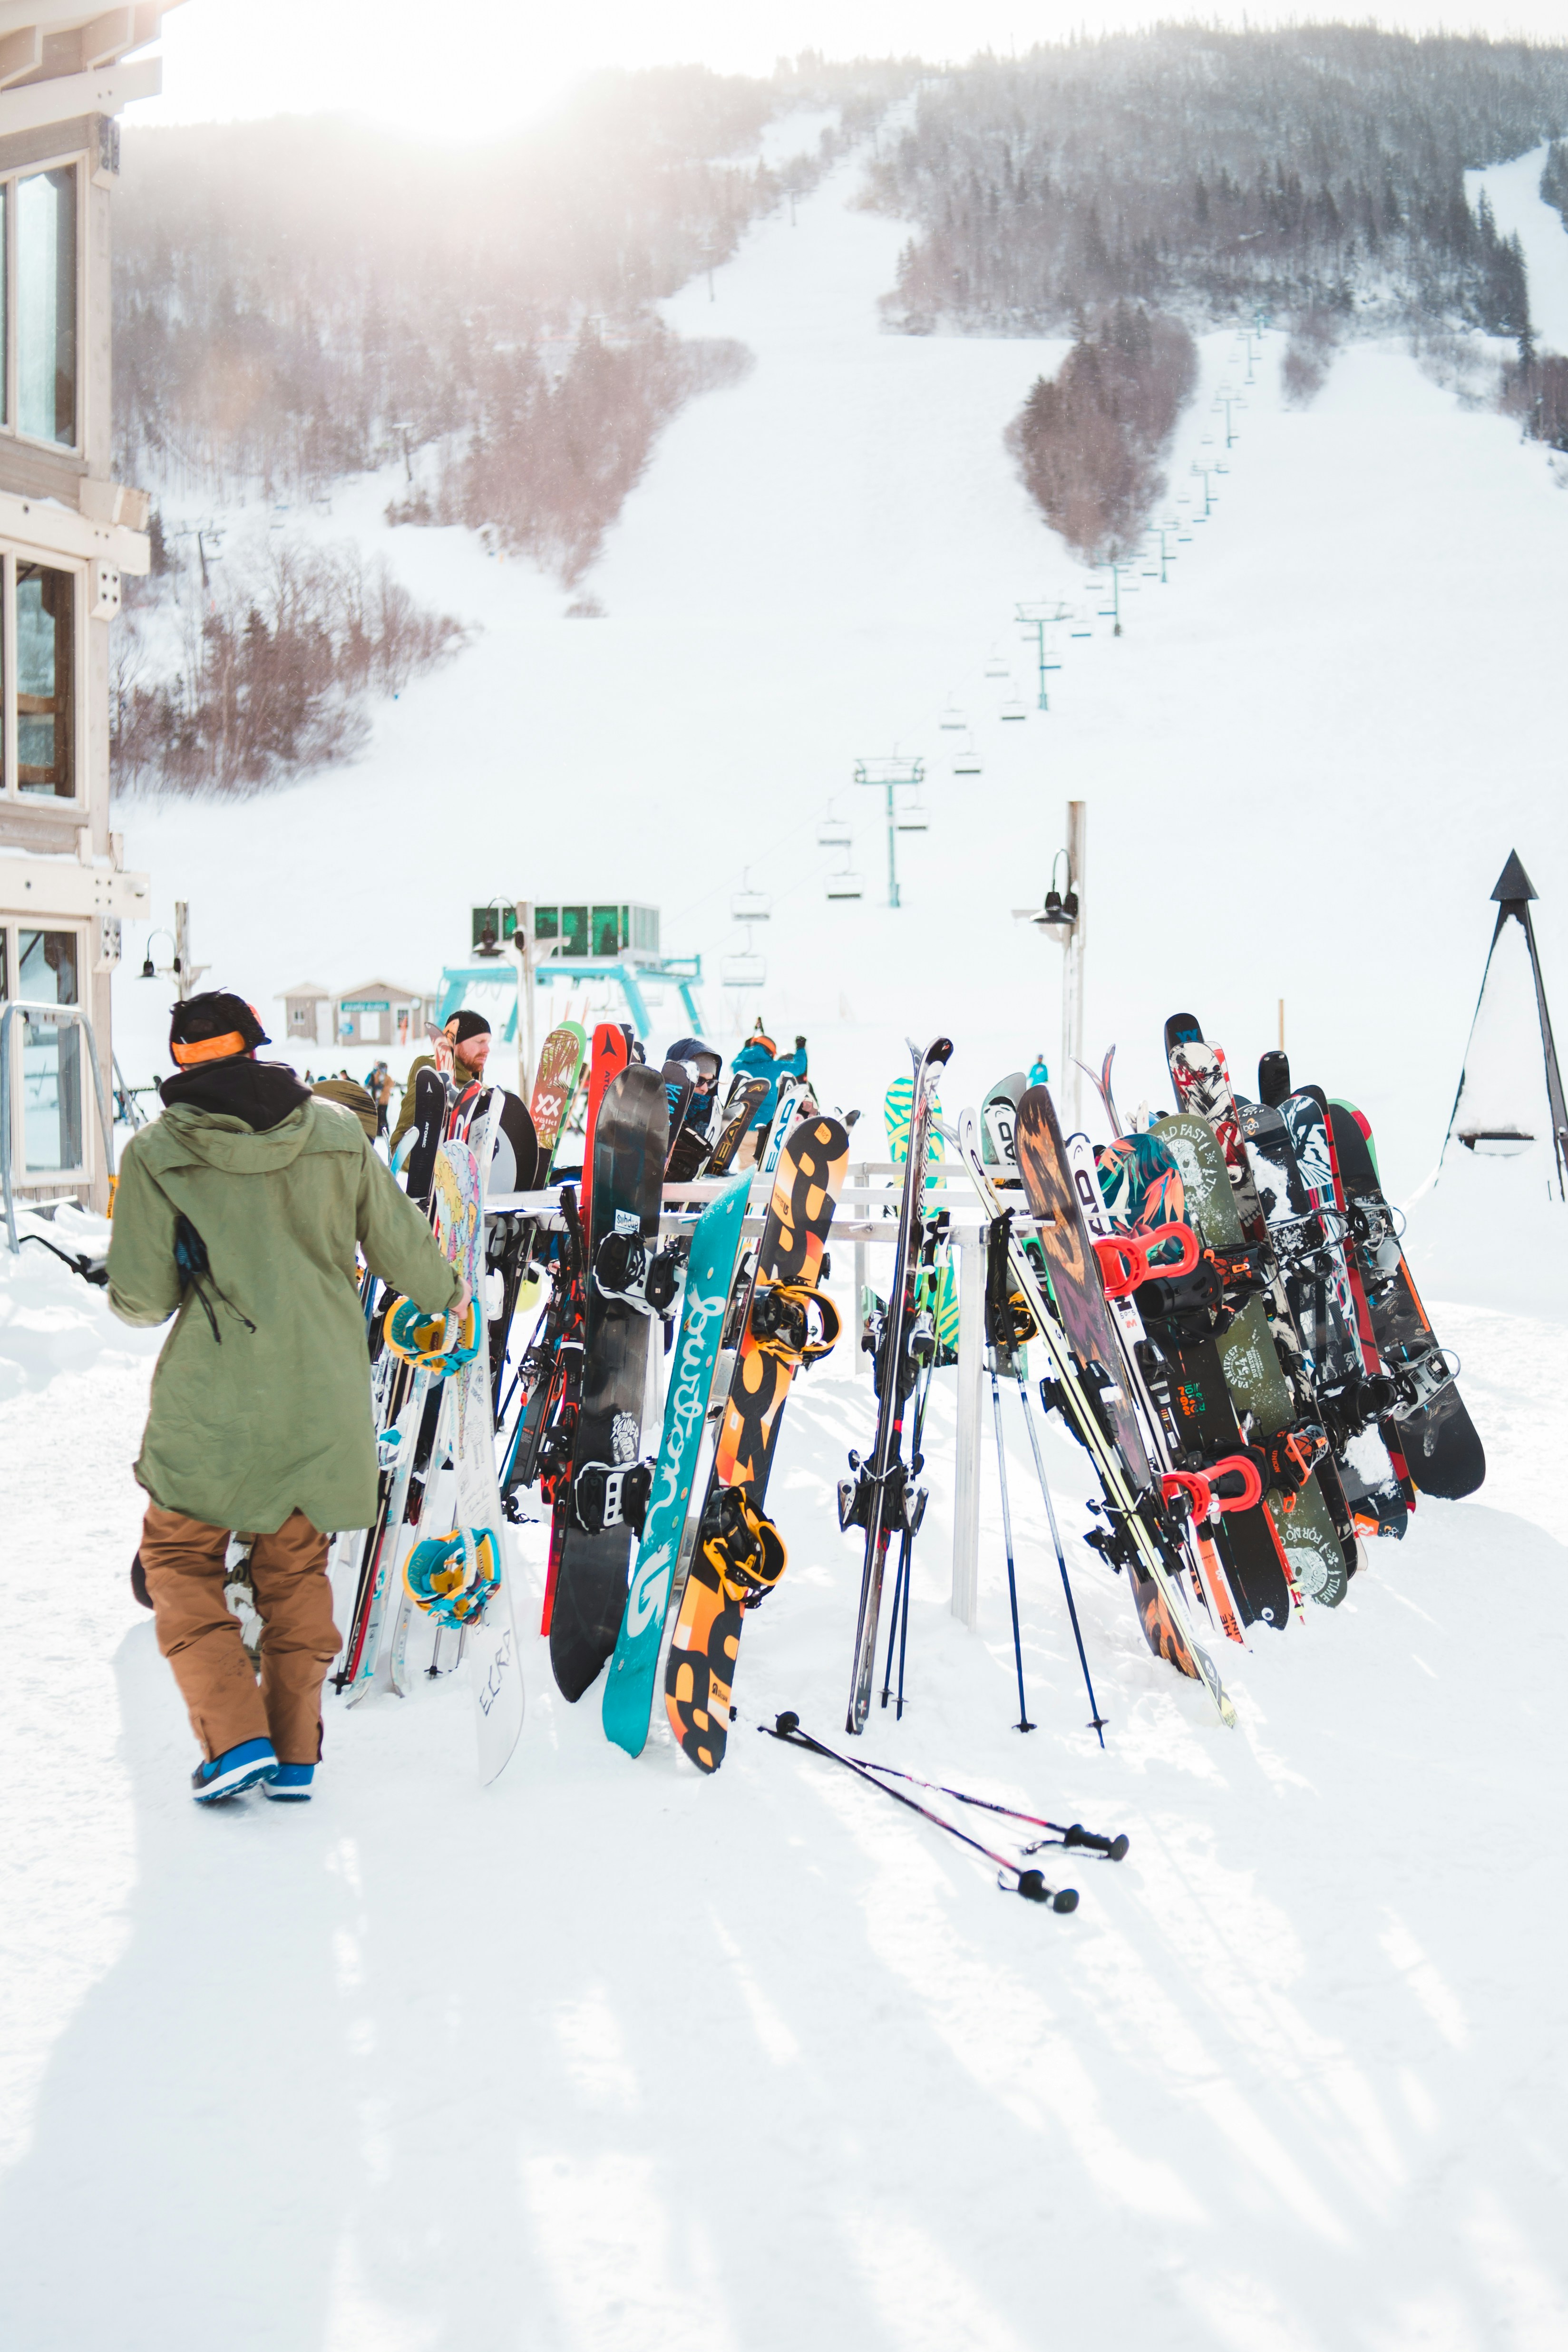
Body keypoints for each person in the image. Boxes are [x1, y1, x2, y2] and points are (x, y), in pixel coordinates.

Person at [107, 991, 466, 1806]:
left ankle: (234, 1739)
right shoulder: (338, 1136)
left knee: (178, 1556)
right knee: (294, 1560)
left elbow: (140, 1296)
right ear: (259, 1046)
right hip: (323, 1388)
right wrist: (449, 1298)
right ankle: (295, 1752)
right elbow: (411, 1258)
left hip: (216, 1396)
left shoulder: (158, 1152)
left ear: (180, 1062)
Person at [731, 1020, 808, 1168]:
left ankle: (746, 1189)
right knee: (767, 1168)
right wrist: (801, 1049)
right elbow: (798, 1068)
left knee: (746, 1168)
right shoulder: (773, 1067)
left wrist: (745, 1049)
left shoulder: (740, 1065)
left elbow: (734, 1063)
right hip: (766, 1127)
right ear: (771, 1052)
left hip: (744, 1126)